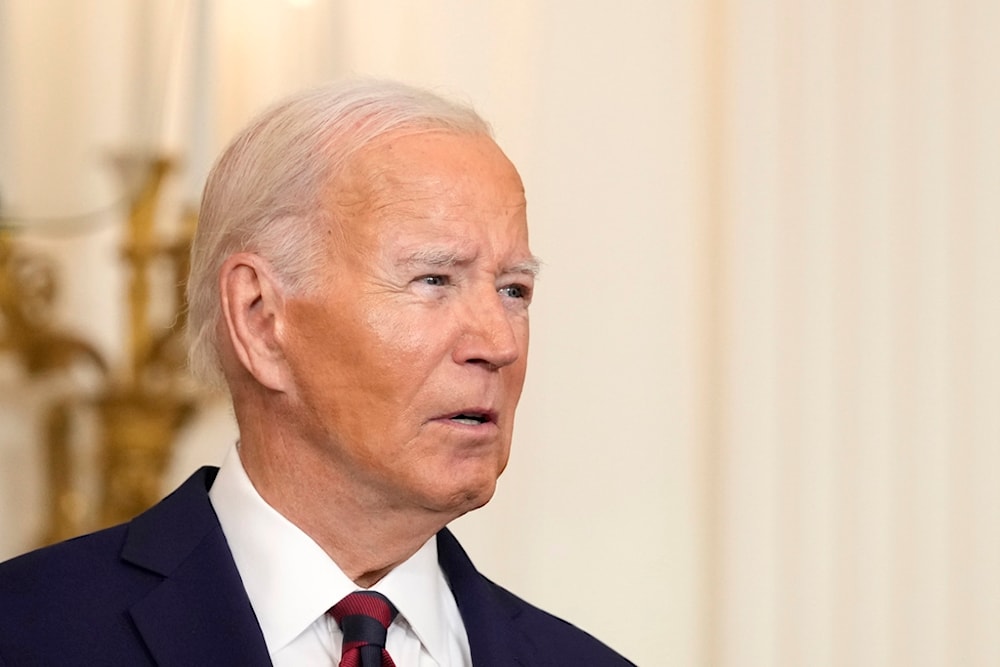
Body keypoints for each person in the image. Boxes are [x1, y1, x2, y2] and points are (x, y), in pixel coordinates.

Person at [0, 80, 634, 666]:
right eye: (434, 280)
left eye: (514, 290)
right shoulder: (28, 632)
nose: (498, 343)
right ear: (260, 318)